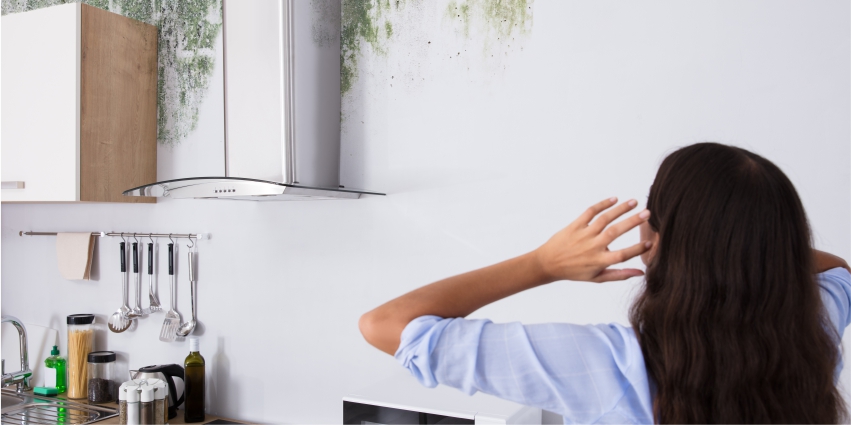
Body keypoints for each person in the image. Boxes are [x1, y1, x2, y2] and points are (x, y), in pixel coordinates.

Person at [359, 142, 851, 424]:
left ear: (658, 238)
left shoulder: (605, 366)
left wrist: (543, 263)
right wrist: (748, 244)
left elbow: (386, 324)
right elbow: (836, 270)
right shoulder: (817, 337)